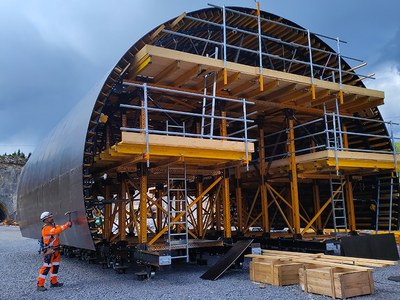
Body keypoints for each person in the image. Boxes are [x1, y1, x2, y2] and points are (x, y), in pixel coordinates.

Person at [37, 211, 72, 291]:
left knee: (55, 266)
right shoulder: (47, 229)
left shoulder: (52, 226)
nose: (51, 218)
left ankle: (54, 282)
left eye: (51, 216)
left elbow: (58, 227)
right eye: (50, 217)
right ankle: (40, 285)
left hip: (55, 250)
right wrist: (67, 225)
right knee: (46, 267)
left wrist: (66, 224)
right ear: (45, 220)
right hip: (49, 251)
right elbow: (56, 231)